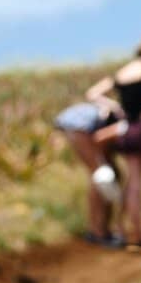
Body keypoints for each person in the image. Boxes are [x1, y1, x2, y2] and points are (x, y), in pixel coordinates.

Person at [89, 34, 141, 248]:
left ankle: (134, 232)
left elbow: (93, 93)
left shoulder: (122, 73)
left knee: (134, 182)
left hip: (127, 130)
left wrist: (115, 107)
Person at [53, 101, 121, 247]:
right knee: (101, 175)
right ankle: (98, 232)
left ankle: (99, 229)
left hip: (78, 123)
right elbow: (100, 138)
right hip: (80, 126)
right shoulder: (124, 125)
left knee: (102, 173)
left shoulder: (118, 118)